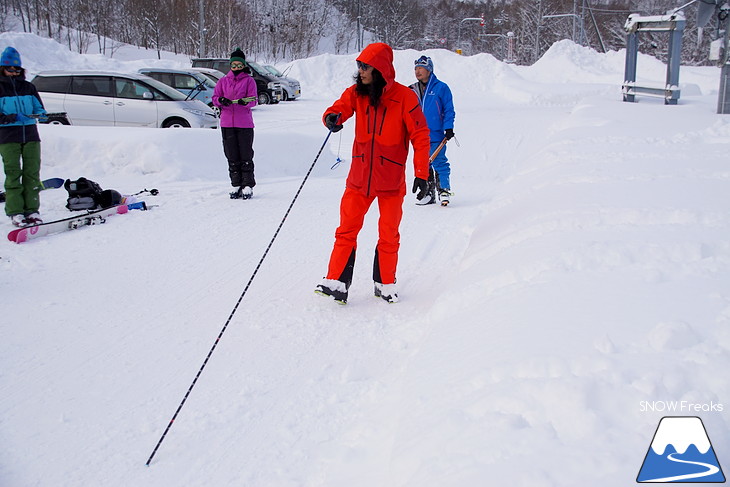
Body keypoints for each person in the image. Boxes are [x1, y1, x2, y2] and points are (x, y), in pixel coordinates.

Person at [315, 42, 431, 304]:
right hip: (360, 177)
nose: (361, 72)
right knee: (346, 229)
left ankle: (385, 283)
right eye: (359, 66)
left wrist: (421, 173)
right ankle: (337, 282)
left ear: (380, 69)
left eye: (365, 67)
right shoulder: (358, 93)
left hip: (390, 179)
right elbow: (339, 107)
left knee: (388, 234)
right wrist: (332, 117)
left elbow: (421, 136)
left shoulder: (405, 97)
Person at [0, 46, 47, 226]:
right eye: (10, 69)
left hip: (30, 135)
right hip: (8, 136)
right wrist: (13, 117)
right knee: (13, 174)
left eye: (17, 69)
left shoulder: (29, 87)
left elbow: (38, 108)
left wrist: (41, 115)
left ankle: (32, 210)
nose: (14, 72)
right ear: (2, 68)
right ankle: (16, 212)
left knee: (32, 173)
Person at [410, 55, 456, 206]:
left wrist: (448, 127)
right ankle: (428, 193)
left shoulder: (441, 87)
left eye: (421, 68)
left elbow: (448, 109)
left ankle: (444, 190)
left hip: (435, 133)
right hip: (418, 134)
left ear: (429, 69)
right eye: (416, 68)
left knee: (439, 161)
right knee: (423, 164)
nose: (418, 71)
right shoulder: (412, 90)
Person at [213, 47, 258, 199]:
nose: (236, 68)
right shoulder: (223, 81)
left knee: (245, 154)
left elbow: (254, 100)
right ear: (230, 65)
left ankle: (247, 185)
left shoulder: (249, 81)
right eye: (234, 65)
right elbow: (215, 97)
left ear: (243, 65)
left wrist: (244, 101)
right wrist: (221, 101)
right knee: (231, 154)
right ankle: (236, 183)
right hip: (227, 123)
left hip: (244, 123)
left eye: (239, 65)